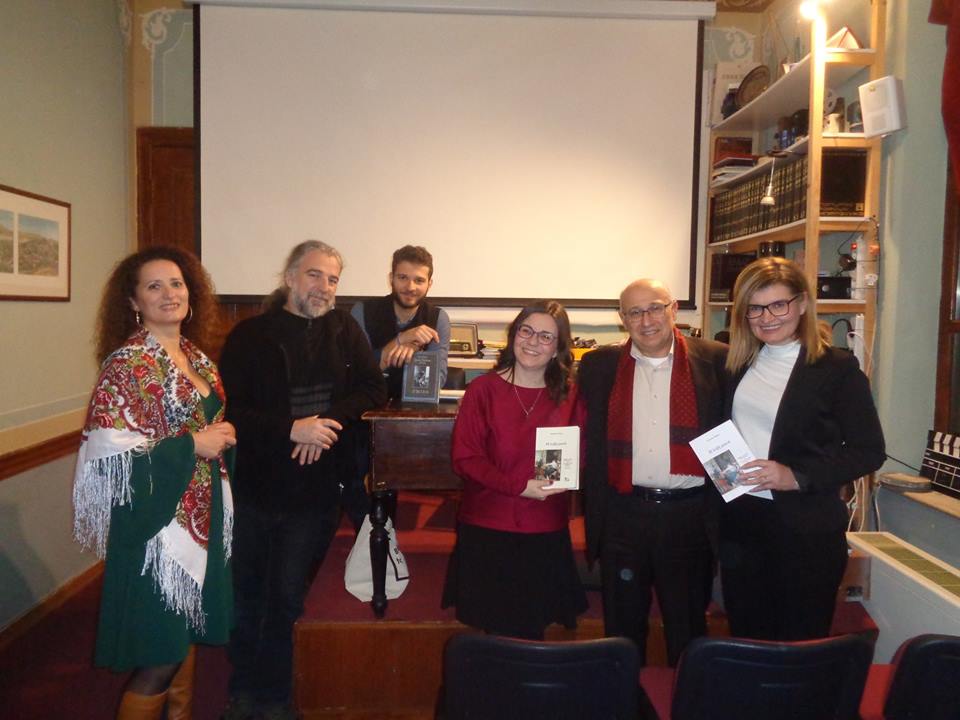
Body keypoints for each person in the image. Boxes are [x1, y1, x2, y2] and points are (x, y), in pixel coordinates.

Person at [218, 241, 386, 720]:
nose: (324, 287)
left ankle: (274, 697)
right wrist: (292, 429)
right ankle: (242, 690)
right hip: (255, 488)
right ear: (290, 277)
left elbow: (373, 388)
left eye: (333, 279)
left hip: (315, 494)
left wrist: (324, 425)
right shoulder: (250, 335)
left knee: (287, 597)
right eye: (315, 275)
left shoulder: (345, 330)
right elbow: (231, 409)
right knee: (246, 594)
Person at [73, 246, 236, 720]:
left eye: (177, 283)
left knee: (182, 636)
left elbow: (202, 423)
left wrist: (219, 436)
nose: (170, 294)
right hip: (156, 526)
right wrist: (193, 445)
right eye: (154, 286)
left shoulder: (197, 358)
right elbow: (111, 456)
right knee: (160, 652)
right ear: (134, 301)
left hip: (201, 513)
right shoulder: (127, 365)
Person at [721, 257, 885, 641]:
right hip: (742, 524)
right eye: (755, 308)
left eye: (778, 305)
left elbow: (869, 451)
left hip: (805, 530)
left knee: (799, 643)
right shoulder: (736, 362)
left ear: (802, 304)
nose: (767, 318)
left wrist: (796, 476)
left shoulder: (837, 369)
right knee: (747, 639)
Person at [578, 279, 727, 667]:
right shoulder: (599, 366)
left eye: (655, 308)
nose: (646, 320)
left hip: (689, 516)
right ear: (622, 318)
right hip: (623, 514)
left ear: (673, 309)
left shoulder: (717, 361)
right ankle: (624, 696)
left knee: (687, 627)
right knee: (622, 629)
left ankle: (688, 696)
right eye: (635, 312)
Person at [442, 300, 586, 639]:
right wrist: (519, 486)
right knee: (494, 635)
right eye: (526, 331)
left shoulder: (570, 395)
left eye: (546, 336)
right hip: (488, 527)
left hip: (544, 528)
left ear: (558, 347)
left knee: (534, 632)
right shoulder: (483, 390)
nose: (533, 342)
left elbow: (581, 450)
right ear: (513, 335)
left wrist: (567, 474)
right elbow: (465, 458)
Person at [350, 244, 450, 398]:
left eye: (419, 280)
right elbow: (357, 372)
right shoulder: (362, 311)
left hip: (414, 407)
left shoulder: (438, 318)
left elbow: (437, 380)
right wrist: (401, 339)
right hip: (366, 404)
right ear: (391, 279)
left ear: (429, 284)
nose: (410, 287)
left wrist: (414, 351)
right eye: (403, 278)